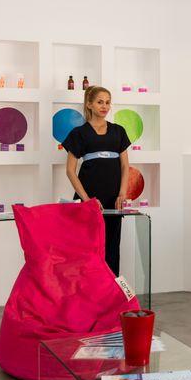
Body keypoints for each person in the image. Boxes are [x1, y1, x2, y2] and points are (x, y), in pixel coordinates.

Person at [63, 85, 131, 276]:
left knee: (111, 247)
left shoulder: (118, 131)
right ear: (89, 104)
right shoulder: (79, 133)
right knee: (86, 249)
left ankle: (110, 291)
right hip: (88, 198)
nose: (104, 106)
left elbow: (125, 166)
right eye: (100, 102)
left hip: (113, 199)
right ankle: (86, 291)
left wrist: (122, 193)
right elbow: (70, 171)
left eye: (108, 102)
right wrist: (87, 200)